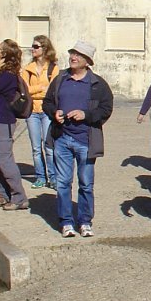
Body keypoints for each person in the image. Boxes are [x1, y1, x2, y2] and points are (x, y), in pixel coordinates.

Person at [42, 40, 114, 237]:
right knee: (63, 183)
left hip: (86, 141)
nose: (73, 57)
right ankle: (66, 222)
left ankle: (85, 221)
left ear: (87, 61)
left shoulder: (97, 84)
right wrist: (54, 113)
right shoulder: (60, 79)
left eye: (79, 55)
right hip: (62, 138)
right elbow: (47, 103)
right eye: (72, 53)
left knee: (86, 184)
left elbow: (106, 109)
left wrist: (86, 115)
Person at [0, 39, 29, 211]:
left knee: (5, 159)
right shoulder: (1, 73)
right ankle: (2, 194)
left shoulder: (8, 75)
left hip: (4, 120)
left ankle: (19, 197)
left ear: (4, 54)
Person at [22, 35, 59, 189]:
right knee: (36, 148)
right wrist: (40, 88)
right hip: (31, 111)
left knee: (49, 146)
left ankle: (53, 177)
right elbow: (24, 90)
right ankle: (40, 177)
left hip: (47, 110)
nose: (33, 49)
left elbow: (52, 90)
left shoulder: (53, 69)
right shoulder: (28, 69)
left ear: (44, 48)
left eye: (36, 46)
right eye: (32, 46)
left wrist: (37, 91)